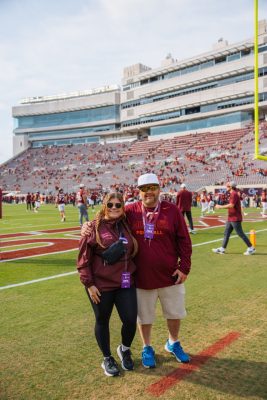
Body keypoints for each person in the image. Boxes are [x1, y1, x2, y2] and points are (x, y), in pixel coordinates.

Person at [81, 173, 192, 369]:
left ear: (159, 188)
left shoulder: (172, 210)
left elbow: (184, 240)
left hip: (170, 275)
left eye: (152, 187)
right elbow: (106, 216)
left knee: (174, 313)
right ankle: (147, 347)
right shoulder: (130, 211)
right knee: (144, 317)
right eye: (144, 189)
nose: (148, 192)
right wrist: (87, 225)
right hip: (140, 276)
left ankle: (173, 342)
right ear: (138, 192)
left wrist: (184, 267)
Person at [77, 192, 138, 377]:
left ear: (123, 207)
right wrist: (89, 284)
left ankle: (124, 349)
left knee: (130, 319)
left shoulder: (126, 223)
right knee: (102, 320)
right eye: (110, 204)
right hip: (100, 285)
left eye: (118, 205)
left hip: (125, 282)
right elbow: (83, 259)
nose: (114, 208)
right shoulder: (93, 227)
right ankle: (107, 358)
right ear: (104, 205)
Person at [212, 181, 255, 256]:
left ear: (231, 187)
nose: (226, 187)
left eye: (227, 186)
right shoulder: (233, 193)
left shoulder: (234, 194)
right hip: (231, 217)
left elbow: (231, 205)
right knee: (226, 233)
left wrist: (220, 207)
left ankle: (251, 248)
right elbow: (230, 206)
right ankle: (222, 248)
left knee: (240, 233)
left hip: (235, 217)